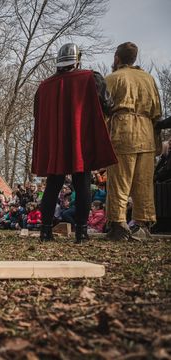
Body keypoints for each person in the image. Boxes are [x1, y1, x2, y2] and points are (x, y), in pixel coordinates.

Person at [32, 43, 117, 243]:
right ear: (77, 59)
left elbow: (37, 113)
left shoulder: (44, 86)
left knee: (53, 185)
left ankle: (45, 232)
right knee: (82, 183)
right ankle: (81, 232)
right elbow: (108, 105)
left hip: (56, 142)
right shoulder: (90, 77)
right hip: (80, 138)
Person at [105, 42, 162, 241]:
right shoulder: (149, 79)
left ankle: (118, 224)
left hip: (123, 132)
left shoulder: (113, 78)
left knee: (120, 181)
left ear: (117, 58)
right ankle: (143, 225)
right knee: (144, 183)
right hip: (146, 133)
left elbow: (102, 109)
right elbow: (157, 112)